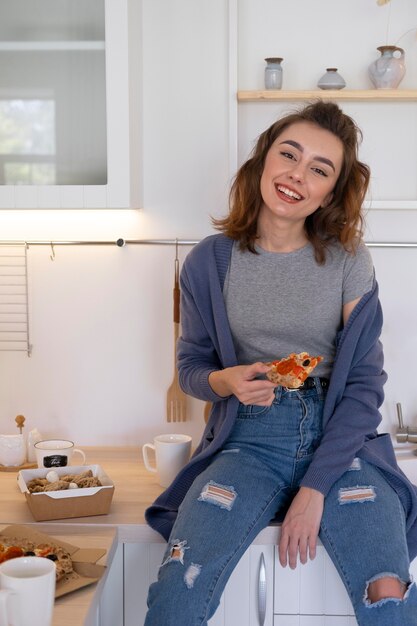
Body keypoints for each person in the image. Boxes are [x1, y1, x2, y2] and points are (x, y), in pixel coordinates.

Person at [144, 100, 417, 626]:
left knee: (389, 592)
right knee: (180, 586)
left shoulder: (349, 262)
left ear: (331, 192)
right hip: (246, 442)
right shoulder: (210, 261)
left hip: (341, 444)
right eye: (288, 154)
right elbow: (192, 370)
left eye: (320, 169)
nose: (298, 175)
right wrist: (224, 381)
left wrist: (314, 489)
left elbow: (363, 384)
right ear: (262, 161)